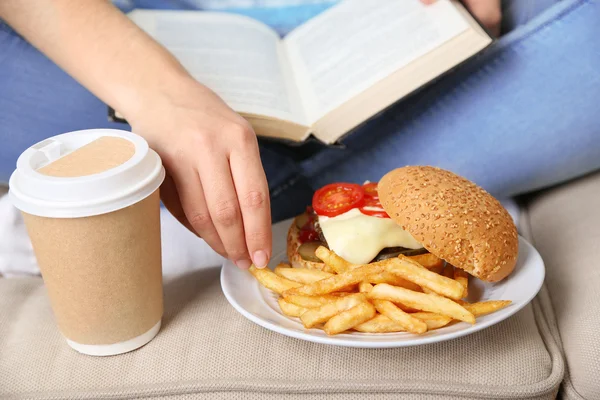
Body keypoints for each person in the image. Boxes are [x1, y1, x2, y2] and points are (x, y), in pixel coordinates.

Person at [1, 0, 599, 273]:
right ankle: (335, 199)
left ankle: (179, 193)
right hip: (125, 30)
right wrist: (158, 94)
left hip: (378, 29)